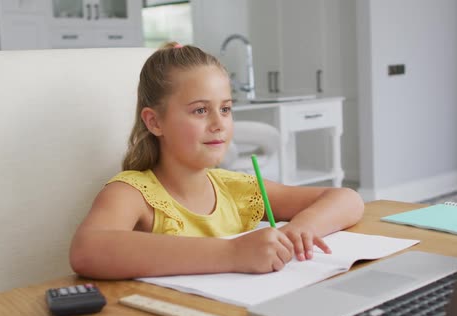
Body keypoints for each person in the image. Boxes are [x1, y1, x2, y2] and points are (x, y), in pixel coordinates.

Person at [69, 42, 364, 279]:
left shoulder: (237, 189)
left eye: (225, 109)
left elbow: (347, 199)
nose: (219, 123)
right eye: (200, 111)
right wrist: (233, 253)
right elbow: (87, 251)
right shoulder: (132, 192)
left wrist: (298, 231)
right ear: (155, 121)